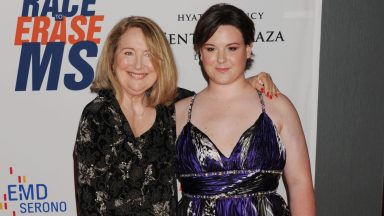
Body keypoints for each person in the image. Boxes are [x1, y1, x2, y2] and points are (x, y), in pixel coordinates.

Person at [73, 16, 279, 215]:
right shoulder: (97, 116)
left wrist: (245, 83)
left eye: (148, 54)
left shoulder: (173, 107)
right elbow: (89, 202)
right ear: (112, 57)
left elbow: (214, 100)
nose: (138, 65)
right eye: (128, 53)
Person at [175, 3, 316, 216]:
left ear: (248, 49)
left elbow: (299, 183)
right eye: (211, 49)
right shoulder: (179, 113)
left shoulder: (278, 107)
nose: (221, 59)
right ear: (200, 52)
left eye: (232, 48)